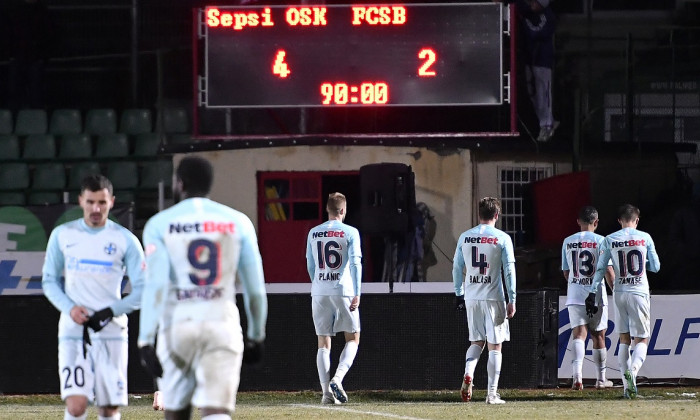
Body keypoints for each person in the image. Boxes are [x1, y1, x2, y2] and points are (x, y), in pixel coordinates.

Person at [137, 156, 268, 420]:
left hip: (178, 326)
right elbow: (255, 290)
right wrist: (257, 334)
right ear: (210, 184)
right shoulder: (238, 222)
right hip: (221, 324)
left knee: (176, 412)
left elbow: (156, 285)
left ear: (179, 183)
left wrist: (145, 339)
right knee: (216, 411)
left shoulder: (159, 224)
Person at [42, 174, 145, 420]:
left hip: (111, 333)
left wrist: (111, 311)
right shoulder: (62, 235)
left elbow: (143, 289)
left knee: (108, 407)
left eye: (102, 202)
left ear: (112, 202)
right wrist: (70, 308)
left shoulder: (125, 240)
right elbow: (48, 280)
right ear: (81, 201)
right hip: (73, 330)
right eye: (90, 202)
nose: (96, 208)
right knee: (76, 405)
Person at [587, 204, 660, 399]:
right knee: (642, 339)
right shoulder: (645, 237)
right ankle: (633, 372)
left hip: (619, 292)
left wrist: (593, 291)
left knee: (624, 339)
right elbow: (656, 267)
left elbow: (601, 269)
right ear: (636, 220)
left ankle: (628, 389)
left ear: (619, 220)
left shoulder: (610, 239)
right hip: (639, 291)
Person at [453, 197, 516, 404]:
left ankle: (468, 372)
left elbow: (456, 267)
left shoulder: (465, 237)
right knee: (494, 346)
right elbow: (509, 270)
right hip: (493, 297)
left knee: (476, 341)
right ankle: (491, 393)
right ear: (497, 215)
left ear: (478, 215)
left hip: (471, 296)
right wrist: (512, 298)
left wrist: (458, 293)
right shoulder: (502, 238)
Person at [305, 192, 362, 405]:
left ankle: (325, 393)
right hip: (343, 290)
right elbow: (356, 263)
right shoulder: (351, 232)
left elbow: (310, 263)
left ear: (327, 210)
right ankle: (337, 379)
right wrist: (358, 292)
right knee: (353, 337)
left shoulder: (313, 232)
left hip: (319, 290)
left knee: (323, 341)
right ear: (343, 211)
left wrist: (318, 283)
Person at [561, 206, 615, 390]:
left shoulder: (567, 241)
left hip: (575, 294)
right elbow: (608, 270)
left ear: (578, 221)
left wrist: (577, 282)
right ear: (596, 222)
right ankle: (601, 379)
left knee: (579, 335)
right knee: (598, 335)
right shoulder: (602, 241)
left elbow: (566, 272)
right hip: (596, 295)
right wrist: (615, 289)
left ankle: (577, 377)